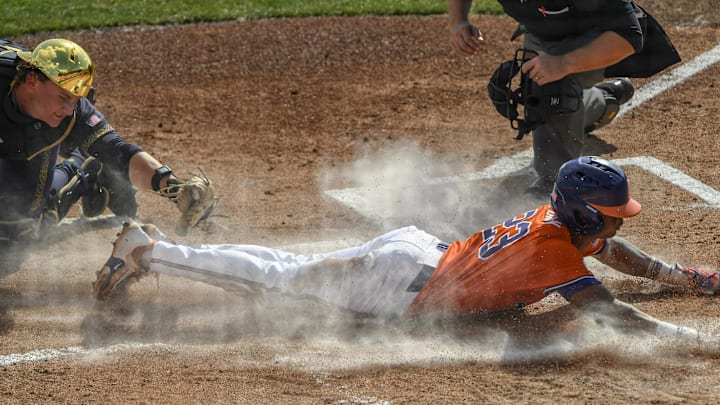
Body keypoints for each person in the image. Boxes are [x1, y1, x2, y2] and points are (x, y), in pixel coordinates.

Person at [93, 156, 719, 340]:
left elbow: (613, 254)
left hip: (414, 254)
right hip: (400, 284)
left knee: (287, 270)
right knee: (277, 281)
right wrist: (699, 342)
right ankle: (151, 251)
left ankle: (155, 248)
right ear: (585, 212)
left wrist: (680, 276)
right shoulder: (556, 252)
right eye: (609, 217)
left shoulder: (557, 223)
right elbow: (614, 315)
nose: (613, 228)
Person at [448, 0, 648, 195]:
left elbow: (628, 35)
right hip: (545, 31)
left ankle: (554, 182)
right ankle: (602, 102)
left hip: (601, 37)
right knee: (537, 92)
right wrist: (459, 22)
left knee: (549, 89)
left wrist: (563, 64)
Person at [0, 38, 189, 244]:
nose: (68, 110)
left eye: (75, 100)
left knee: (23, 231)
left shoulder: (70, 113)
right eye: (63, 98)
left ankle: (84, 170)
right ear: (32, 81)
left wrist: (176, 189)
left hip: (29, 138)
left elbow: (118, 151)